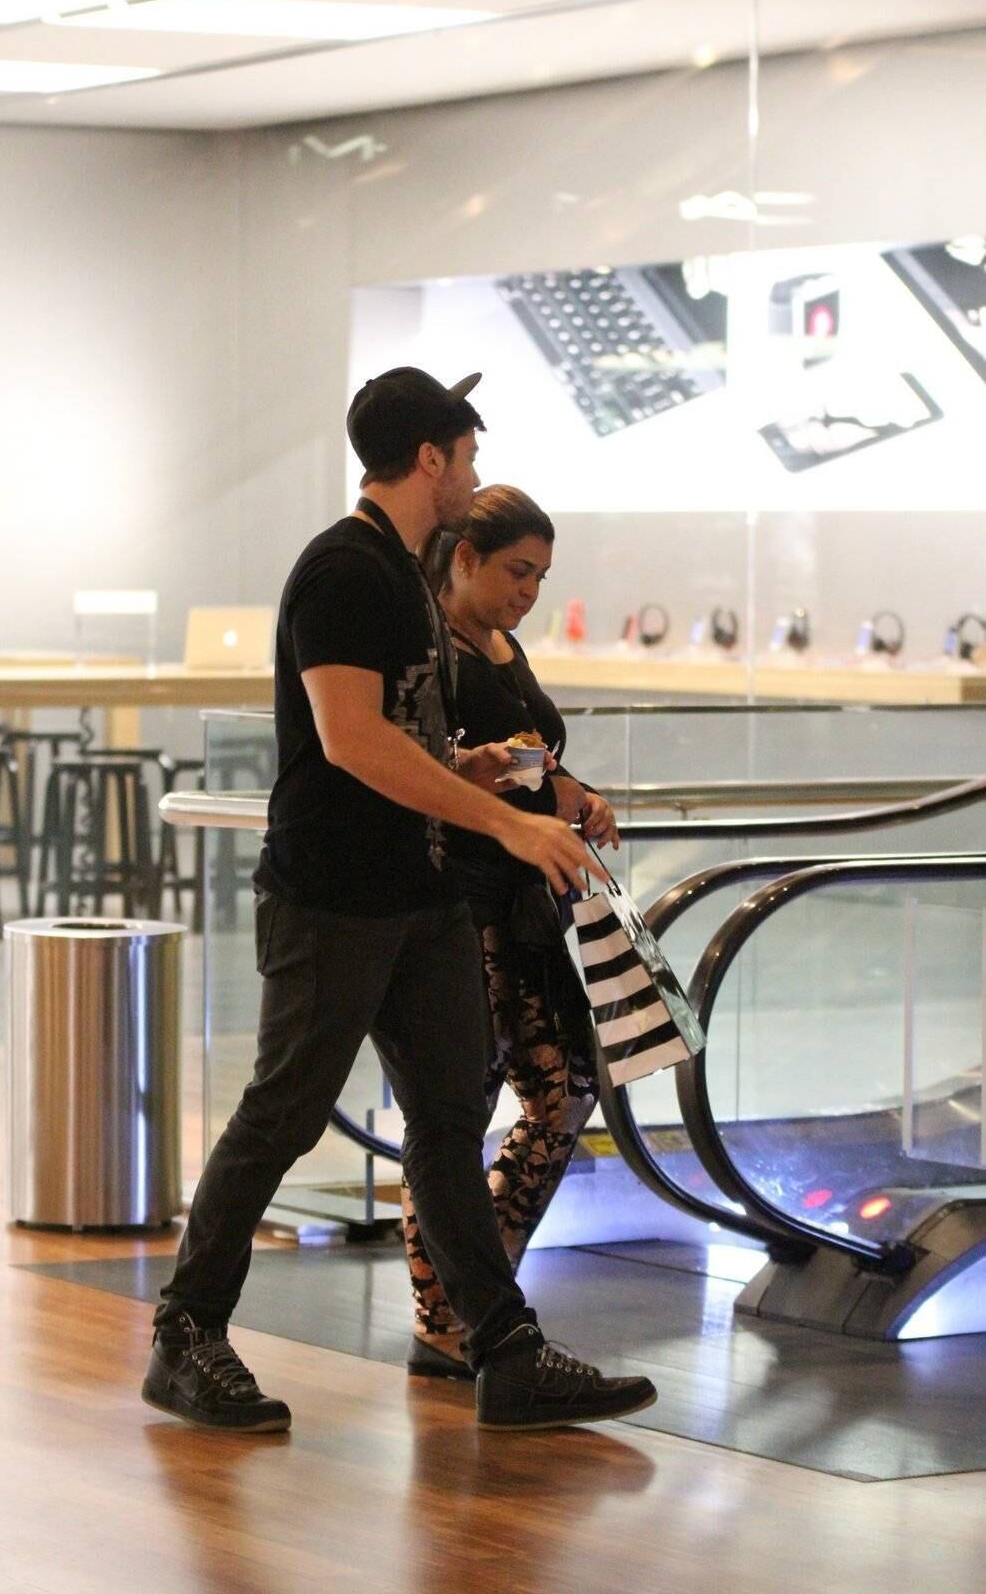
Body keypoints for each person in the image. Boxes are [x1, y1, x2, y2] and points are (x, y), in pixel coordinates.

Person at [142, 367, 658, 1434]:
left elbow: (402, 739)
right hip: (335, 896)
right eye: (465, 455)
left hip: (414, 892)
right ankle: (185, 1332)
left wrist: (470, 777)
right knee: (282, 1112)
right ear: (430, 457)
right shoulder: (343, 568)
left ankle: (499, 1347)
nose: (472, 474)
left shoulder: (403, 574)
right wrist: (507, 822)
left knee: (443, 1119)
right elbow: (349, 739)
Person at [404, 484, 618, 1380]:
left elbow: (524, 752)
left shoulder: (497, 642)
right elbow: (421, 761)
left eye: (539, 576)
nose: (527, 591)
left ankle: (471, 1299)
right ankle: (450, 1314)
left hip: (520, 901)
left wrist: (566, 792)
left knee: (564, 1090)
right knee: (462, 1114)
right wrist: (519, 784)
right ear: (463, 559)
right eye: (515, 572)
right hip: (462, 903)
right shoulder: (429, 645)